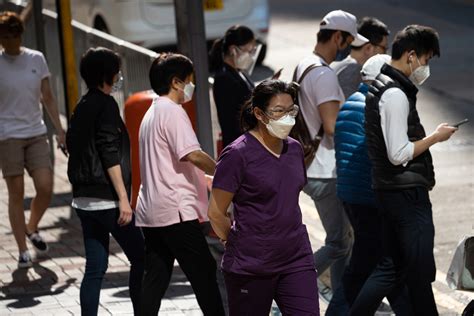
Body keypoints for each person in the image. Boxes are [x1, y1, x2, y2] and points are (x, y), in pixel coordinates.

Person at [350, 25, 457, 315]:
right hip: (406, 195)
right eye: (426, 59)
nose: (426, 66)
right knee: (418, 271)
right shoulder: (395, 93)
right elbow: (398, 154)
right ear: (411, 56)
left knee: (392, 268)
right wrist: (435, 136)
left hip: (391, 191)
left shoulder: (383, 85)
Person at [208, 79, 319, 315]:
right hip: (251, 264)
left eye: (291, 111)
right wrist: (234, 242)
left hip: (296, 258)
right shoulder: (238, 154)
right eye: (279, 111)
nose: (287, 117)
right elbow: (216, 212)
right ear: (259, 113)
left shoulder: (294, 149)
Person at [135, 53, 224, 316]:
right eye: (189, 80)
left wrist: (204, 180)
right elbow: (191, 154)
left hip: (153, 210)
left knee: (157, 276)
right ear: (176, 82)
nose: (190, 86)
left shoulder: (151, 112)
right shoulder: (173, 112)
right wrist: (223, 171)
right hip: (175, 210)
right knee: (204, 272)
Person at [294, 9, 368, 306]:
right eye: (348, 42)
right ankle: (288, 288)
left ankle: (342, 301)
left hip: (313, 166)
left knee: (345, 241)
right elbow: (332, 126)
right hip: (325, 170)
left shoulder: (305, 64)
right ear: (337, 37)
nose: (348, 49)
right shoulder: (324, 75)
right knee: (339, 242)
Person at [66, 47, 144, 315]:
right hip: (106, 199)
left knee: (95, 268)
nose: (119, 76)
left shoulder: (82, 105)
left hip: (83, 199)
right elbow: (109, 153)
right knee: (142, 257)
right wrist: (123, 199)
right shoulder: (106, 105)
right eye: (116, 71)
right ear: (107, 74)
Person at [332, 54, 412, 315]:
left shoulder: (350, 102)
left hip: (351, 195)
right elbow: (393, 153)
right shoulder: (377, 103)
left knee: (382, 263)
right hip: (371, 197)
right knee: (370, 267)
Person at [0, 11, 66, 268]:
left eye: (11, 35)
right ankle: (22, 249)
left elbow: (47, 97)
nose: (8, 41)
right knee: (16, 193)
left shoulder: (36, 58)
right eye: (3, 36)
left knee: (46, 186)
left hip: (36, 132)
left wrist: (60, 130)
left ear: (19, 34)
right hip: (7, 136)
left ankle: (32, 226)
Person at [209, 25, 258, 147]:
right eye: (249, 51)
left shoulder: (239, 71)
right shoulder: (224, 78)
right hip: (240, 145)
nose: (252, 56)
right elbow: (232, 119)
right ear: (233, 49)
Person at [331, 17, 390, 98]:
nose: (385, 54)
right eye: (384, 49)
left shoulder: (341, 63)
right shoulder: (353, 70)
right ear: (368, 48)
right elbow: (347, 108)